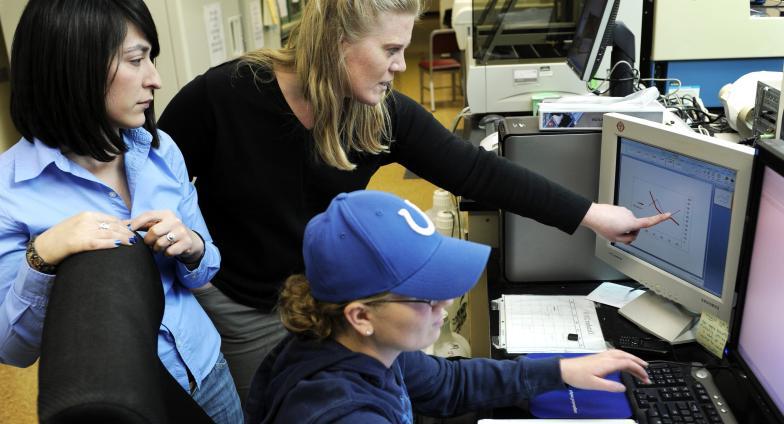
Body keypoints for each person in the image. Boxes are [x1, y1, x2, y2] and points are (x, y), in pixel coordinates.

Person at [158, 0, 670, 401]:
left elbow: (477, 171)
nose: (401, 66)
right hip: (243, 305)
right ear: (336, 41)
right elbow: (154, 175)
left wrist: (591, 215)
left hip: (336, 298)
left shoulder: (378, 113)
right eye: (389, 50)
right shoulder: (223, 96)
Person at [0, 0, 242, 421]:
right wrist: (42, 258)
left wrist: (193, 247)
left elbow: (209, 269)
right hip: (126, 403)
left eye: (152, 57)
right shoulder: (10, 192)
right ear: (75, 68)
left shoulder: (161, 150)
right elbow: (12, 349)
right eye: (136, 60)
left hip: (208, 370)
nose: (156, 79)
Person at [244, 190, 651, 423]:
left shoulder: (361, 345)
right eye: (425, 296)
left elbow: (447, 385)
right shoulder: (342, 413)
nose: (447, 302)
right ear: (361, 315)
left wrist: (562, 370)